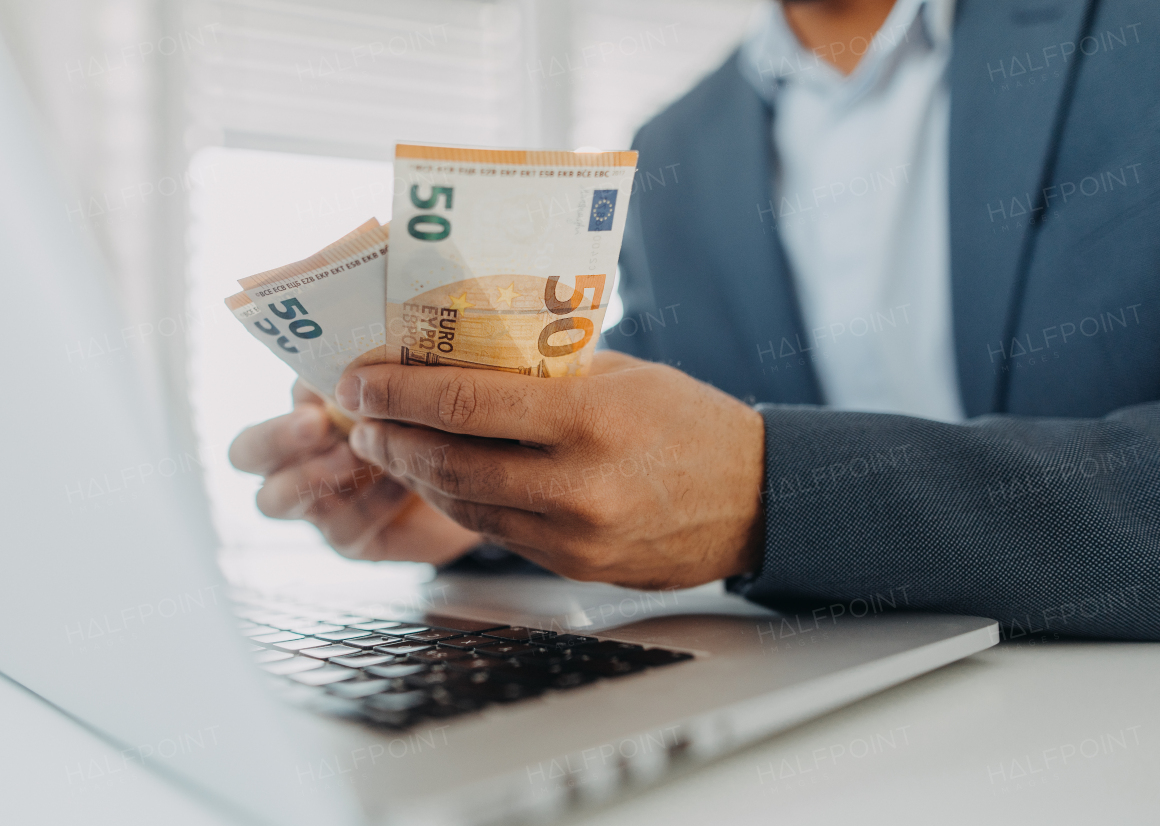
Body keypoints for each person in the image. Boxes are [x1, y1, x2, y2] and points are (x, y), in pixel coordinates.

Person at [229, 0, 1158, 641]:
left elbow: (728, 484)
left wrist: (770, 495)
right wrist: (470, 509)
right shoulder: (673, 151)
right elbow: (646, 460)